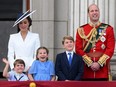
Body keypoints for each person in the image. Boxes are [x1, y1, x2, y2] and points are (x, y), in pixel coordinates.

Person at [75, 4, 115, 81]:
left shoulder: (108, 29)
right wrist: (90, 63)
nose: (94, 13)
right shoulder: (81, 30)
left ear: (99, 12)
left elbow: (110, 49)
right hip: (86, 71)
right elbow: (78, 49)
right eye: (92, 11)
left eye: (96, 10)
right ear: (88, 14)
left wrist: (99, 63)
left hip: (102, 71)